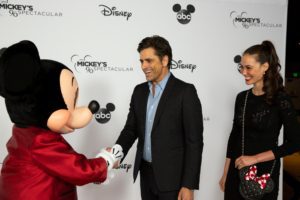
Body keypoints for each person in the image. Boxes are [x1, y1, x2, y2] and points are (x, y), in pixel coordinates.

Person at [0, 40, 122, 199]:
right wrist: (107, 160)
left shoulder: (23, 133)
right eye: (67, 106)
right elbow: (78, 170)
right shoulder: (40, 141)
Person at [114, 35, 204, 200]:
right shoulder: (139, 91)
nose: (144, 66)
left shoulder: (185, 92)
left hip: (174, 181)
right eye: (141, 61)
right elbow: (130, 129)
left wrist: (188, 185)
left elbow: (194, 143)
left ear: (164, 60)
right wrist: (115, 154)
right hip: (146, 176)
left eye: (149, 60)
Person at [219, 40, 300, 199]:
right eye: (241, 67)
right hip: (237, 174)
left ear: (265, 67)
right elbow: (235, 137)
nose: (243, 72)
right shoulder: (242, 98)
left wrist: (254, 159)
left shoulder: (281, 99)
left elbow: (294, 143)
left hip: (264, 175)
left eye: (249, 67)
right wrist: (225, 174)